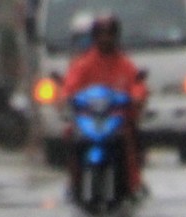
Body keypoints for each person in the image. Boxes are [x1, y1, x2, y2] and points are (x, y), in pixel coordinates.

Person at [62, 12, 149, 195]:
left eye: (109, 33)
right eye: (101, 34)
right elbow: (71, 85)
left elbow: (136, 84)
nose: (105, 38)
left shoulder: (125, 64)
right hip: (89, 120)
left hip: (117, 121)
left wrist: (136, 96)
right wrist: (67, 96)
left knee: (130, 138)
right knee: (71, 135)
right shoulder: (83, 64)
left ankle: (133, 184)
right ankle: (74, 183)